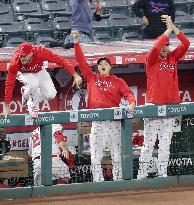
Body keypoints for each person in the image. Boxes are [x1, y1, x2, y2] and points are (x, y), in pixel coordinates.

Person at [72, 30, 136, 182]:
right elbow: (80, 61)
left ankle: (119, 181)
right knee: (95, 155)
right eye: (100, 64)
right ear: (97, 67)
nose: (102, 65)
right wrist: (76, 41)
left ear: (110, 67)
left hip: (113, 122)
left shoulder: (118, 81)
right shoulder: (92, 77)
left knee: (116, 154)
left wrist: (132, 102)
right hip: (97, 122)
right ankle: (98, 182)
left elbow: (128, 94)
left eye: (105, 64)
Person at [137, 15, 190, 179]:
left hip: (170, 107)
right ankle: (142, 175)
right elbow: (156, 47)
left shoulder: (173, 58)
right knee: (148, 145)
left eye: (168, 45)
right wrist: (167, 30)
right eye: (164, 45)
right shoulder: (151, 60)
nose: (166, 48)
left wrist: (173, 27)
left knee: (165, 145)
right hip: (153, 106)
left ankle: (162, 175)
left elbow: (186, 43)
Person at [2, 41, 82, 118]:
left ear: (31, 53)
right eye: (20, 55)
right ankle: (33, 107)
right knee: (33, 84)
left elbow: (61, 61)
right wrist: (6, 106)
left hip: (39, 70)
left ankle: (26, 94)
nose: (22, 58)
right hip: (23, 73)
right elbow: (9, 83)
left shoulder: (40, 52)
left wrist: (75, 74)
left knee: (51, 94)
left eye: (24, 55)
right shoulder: (15, 62)